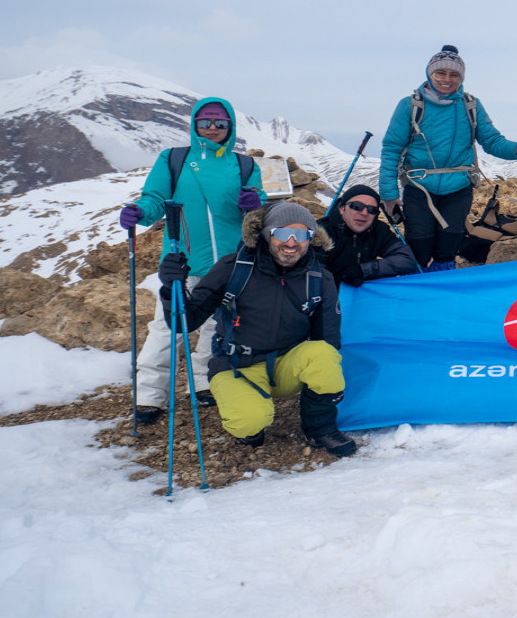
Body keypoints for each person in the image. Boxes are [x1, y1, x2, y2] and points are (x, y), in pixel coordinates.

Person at [157, 201, 356, 456]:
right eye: (283, 233)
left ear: (311, 238)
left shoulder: (319, 278)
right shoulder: (232, 269)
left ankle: (320, 428)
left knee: (324, 355)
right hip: (237, 365)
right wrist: (169, 289)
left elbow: (327, 338)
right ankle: (250, 419)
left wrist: (327, 386)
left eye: (302, 235)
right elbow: (183, 323)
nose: (292, 243)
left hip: (285, 365)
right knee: (250, 422)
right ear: (267, 233)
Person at [118, 97, 265, 425]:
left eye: (220, 123)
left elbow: (257, 202)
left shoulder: (243, 165)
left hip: (228, 263)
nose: (213, 128)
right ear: (194, 125)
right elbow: (155, 198)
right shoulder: (173, 159)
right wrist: (140, 212)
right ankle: (149, 395)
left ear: (231, 127)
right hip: (181, 261)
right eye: (206, 122)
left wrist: (255, 200)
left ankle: (204, 384)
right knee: (167, 329)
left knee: (216, 327)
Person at [379, 45, 517, 271]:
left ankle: (443, 283)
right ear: (429, 73)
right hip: (419, 186)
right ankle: (419, 284)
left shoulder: (470, 105)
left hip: (458, 186)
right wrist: (389, 194)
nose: (447, 79)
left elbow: (492, 141)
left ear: (461, 77)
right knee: (419, 239)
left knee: (450, 238)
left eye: (454, 74)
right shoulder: (410, 105)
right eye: (440, 73)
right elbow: (391, 149)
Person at [317, 184, 418, 284]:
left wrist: (364, 270)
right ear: (342, 208)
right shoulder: (321, 232)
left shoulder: (379, 230)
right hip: (330, 295)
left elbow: (407, 259)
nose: (364, 213)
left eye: (372, 210)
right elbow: (315, 274)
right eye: (357, 206)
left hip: (364, 293)